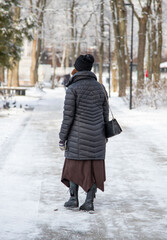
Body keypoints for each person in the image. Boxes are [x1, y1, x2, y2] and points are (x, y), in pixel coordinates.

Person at [59, 54, 109, 211]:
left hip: (77, 137)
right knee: (93, 168)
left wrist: (62, 138)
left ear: (77, 68)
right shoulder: (100, 87)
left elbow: (68, 117)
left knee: (72, 165)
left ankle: (73, 198)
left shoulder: (72, 88)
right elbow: (105, 114)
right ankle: (89, 201)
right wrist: (105, 135)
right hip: (98, 136)